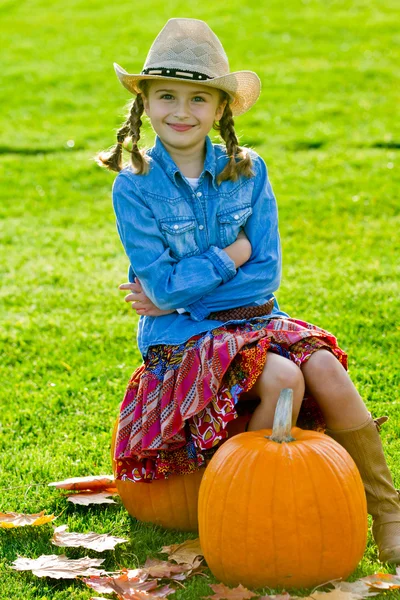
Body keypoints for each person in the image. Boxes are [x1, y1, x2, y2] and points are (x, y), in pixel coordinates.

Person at [97, 18, 400, 563]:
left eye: (199, 98)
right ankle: (236, 505)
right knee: (283, 376)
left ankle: (388, 511)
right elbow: (165, 291)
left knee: (325, 367)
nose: (182, 112)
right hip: (182, 333)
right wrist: (227, 256)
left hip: (257, 315)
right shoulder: (135, 183)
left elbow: (264, 273)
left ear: (220, 109)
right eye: (166, 96)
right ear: (145, 101)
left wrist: (184, 285)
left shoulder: (249, 170)